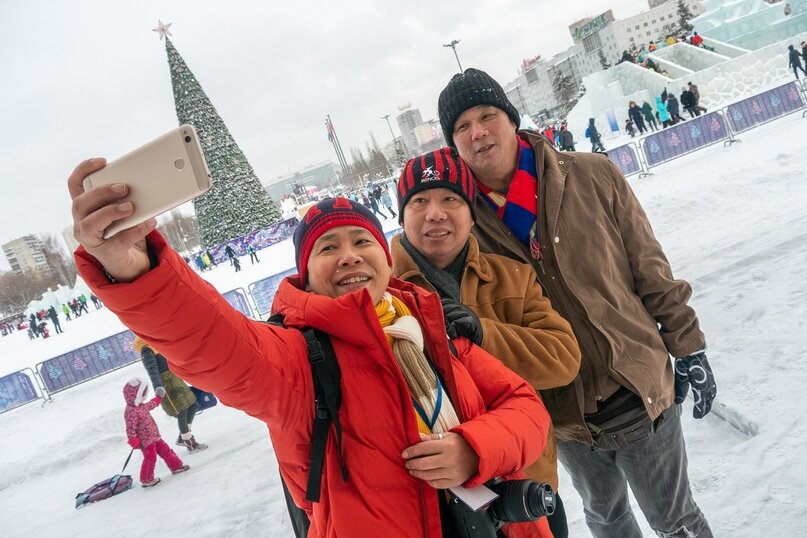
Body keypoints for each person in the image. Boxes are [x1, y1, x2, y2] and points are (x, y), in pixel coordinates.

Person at [68, 159, 552, 537]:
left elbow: (527, 409)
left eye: (362, 240)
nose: (348, 255)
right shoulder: (299, 358)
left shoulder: (428, 328)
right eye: (327, 248)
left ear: (384, 260)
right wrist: (137, 269)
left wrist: (474, 448)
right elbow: (215, 344)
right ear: (308, 276)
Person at [437, 67, 716, 538]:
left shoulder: (591, 175)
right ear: (454, 144)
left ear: (510, 118)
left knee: (676, 520)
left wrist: (688, 346)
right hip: (560, 412)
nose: (477, 132)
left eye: (487, 116)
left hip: (636, 387)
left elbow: (650, 269)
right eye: (462, 127)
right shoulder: (460, 225)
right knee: (605, 517)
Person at [391, 148, 582, 537]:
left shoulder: (511, 276)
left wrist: (485, 334)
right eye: (420, 202)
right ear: (402, 216)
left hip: (526, 487)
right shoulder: (383, 295)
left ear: (472, 213)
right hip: (438, 508)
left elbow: (564, 359)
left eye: (450, 199)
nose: (435, 213)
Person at [135, 338, 208, 452]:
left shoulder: (156, 344)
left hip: (175, 379)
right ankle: (189, 443)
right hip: (166, 385)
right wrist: (158, 386)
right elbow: (152, 370)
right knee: (181, 411)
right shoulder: (146, 350)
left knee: (194, 404)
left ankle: (182, 437)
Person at [123, 377, 189, 487]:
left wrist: (158, 398)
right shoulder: (130, 412)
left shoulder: (141, 405)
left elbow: (150, 405)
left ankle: (176, 466)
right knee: (150, 458)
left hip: (155, 436)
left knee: (166, 451)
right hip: (146, 441)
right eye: (142, 395)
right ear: (135, 396)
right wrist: (133, 440)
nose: (144, 397)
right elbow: (130, 428)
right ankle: (146, 479)